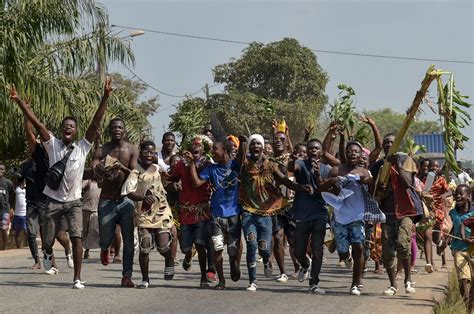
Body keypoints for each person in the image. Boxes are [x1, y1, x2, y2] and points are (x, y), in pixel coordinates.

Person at [10, 77, 113, 289]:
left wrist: (105, 96)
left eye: (72, 126)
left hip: (74, 202)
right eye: (65, 125)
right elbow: (37, 125)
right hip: (52, 200)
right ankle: (47, 253)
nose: (68, 128)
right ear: (61, 129)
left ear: (75, 131)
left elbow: (95, 122)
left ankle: (76, 278)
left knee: (76, 237)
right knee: (47, 240)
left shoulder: (83, 147)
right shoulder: (52, 144)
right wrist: (20, 102)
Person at [239, 134, 310, 291]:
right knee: (251, 244)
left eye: (259, 144)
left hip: (266, 212)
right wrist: (241, 144)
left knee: (264, 248)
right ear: (249, 147)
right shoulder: (244, 164)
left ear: (263, 147)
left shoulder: (271, 165)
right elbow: (239, 158)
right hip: (248, 211)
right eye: (253, 144)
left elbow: (284, 180)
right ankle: (252, 281)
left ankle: (266, 260)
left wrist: (300, 188)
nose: (256, 146)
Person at [184, 140, 243, 290]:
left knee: (233, 249)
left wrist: (243, 143)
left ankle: (234, 264)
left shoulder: (235, 165)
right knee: (217, 247)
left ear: (224, 151)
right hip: (216, 216)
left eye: (215, 149)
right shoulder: (211, 168)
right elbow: (196, 183)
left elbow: (242, 158)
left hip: (234, 215)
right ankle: (221, 281)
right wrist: (191, 163)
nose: (212, 152)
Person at [21, 117, 73, 272]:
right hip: (35, 199)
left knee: (58, 235)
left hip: (55, 198)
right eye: (42, 138)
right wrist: (26, 116)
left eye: (47, 138)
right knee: (38, 234)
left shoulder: (59, 153)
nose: (45, 140)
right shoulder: (37, 153)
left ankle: (68, 250)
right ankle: (49, 263)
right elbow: (29, 133)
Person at [123, 141, 177, 288]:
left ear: (155, 155)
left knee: (163, 246)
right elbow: (129, 192)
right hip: (144, 212)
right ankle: (145, 279)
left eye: (152, 152)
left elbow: (170, 179)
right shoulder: (136, 172)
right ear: (140, 153)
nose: (148, 155)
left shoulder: (159, 169)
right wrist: (142, 198)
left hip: (161, 211)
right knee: (145, 245)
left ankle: (169, 260)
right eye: (145, 152)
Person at [92, 117, 138, 287]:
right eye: (114, 127)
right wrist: (102, 168)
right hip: (106, 200)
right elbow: (95, 164)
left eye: (120, 127)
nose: (117, 129)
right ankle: (105, 248)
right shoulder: (103, 149)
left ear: (124, 130)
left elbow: (134, 172)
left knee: (128, 239)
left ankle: (127, 276)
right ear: (109, 130)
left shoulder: (132, 149)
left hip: (125, 199)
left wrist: (120, 167)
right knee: (105, 238)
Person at [287, 138, 334, 294]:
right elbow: (292, 168)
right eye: (311, 148)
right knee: (299, 250)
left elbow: (327, 189)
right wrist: (292, 161)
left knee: (317, 248)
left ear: (321, 152)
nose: (313, 150)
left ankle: (314, 282)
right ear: (306, 151)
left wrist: (318, 175)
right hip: (301, 212)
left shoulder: (327, 169)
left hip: (320, 213)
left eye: (316, 148)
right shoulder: (301, 164)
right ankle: (305, 265)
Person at [328, 141, 373, 296]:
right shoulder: (337, 170)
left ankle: (355, 282)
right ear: (345, 154)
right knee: (342, 252)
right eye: (350, 151)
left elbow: (372, 188)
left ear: (360, 154)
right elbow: (329, 189)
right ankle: (344, 256)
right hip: (340, 217)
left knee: (359, 247)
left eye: (356, 151)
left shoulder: (364, 172)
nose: (353, 153)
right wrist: (336, 183)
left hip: (358, 216)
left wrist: (365, 181)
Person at [170, 135, 213, 288]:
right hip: (185, 211)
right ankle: (188, 254)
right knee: (185, 247)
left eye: (199, 146)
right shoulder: (181, 164)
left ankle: (203, 278)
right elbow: (173, 177)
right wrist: (175, 183)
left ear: (203, 150)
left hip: (202, 211)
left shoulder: (207, 165)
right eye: (193, 145)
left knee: (201, 245)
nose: (196, 147)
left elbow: (196, 184)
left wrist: (193, 164)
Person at [377, 153, 418, 296]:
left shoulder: (405, 161)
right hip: (387, 214)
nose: (389, 146)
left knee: (403, 244)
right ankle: (393, 284)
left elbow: (407, 183)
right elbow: (373, 188)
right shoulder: (380, 165)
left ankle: (407, 279)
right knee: (387, 253)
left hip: (405, 212)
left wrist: (397, 165)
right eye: (386, 143)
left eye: (391, 143)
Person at [450, 185, 474, 309]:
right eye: (456, 194)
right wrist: (446, 240)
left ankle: (470, 305)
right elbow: (456, 226)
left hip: (472, 250)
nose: (458, 196)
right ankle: (467, 307)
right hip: (458, 249)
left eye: (461, 194)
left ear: (469, 196)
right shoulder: (453, 212)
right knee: (463, 279)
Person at [81, 179, 101, 259]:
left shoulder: (101, 183)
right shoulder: (87, 182)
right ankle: (86, 250)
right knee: (85, 232)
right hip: (86, 210)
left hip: (96, 211)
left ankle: (104, 250)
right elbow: (80, 189)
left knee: (97, 232)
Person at [0, 162, 14, 250]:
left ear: (4, 171)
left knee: (4, 229)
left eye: (1, 169)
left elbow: (13, 196)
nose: (0, 170)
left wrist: (12, 208)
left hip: (5, 210)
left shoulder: (8, 183)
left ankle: (4, 249)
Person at [12, 174, 27, 248]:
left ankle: (29, 246)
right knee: (17, 231)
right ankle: (19, 247)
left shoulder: (28, 188)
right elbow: (12, 198)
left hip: (26, 213)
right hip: (17, 213)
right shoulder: (15, 188)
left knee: (27, 231)